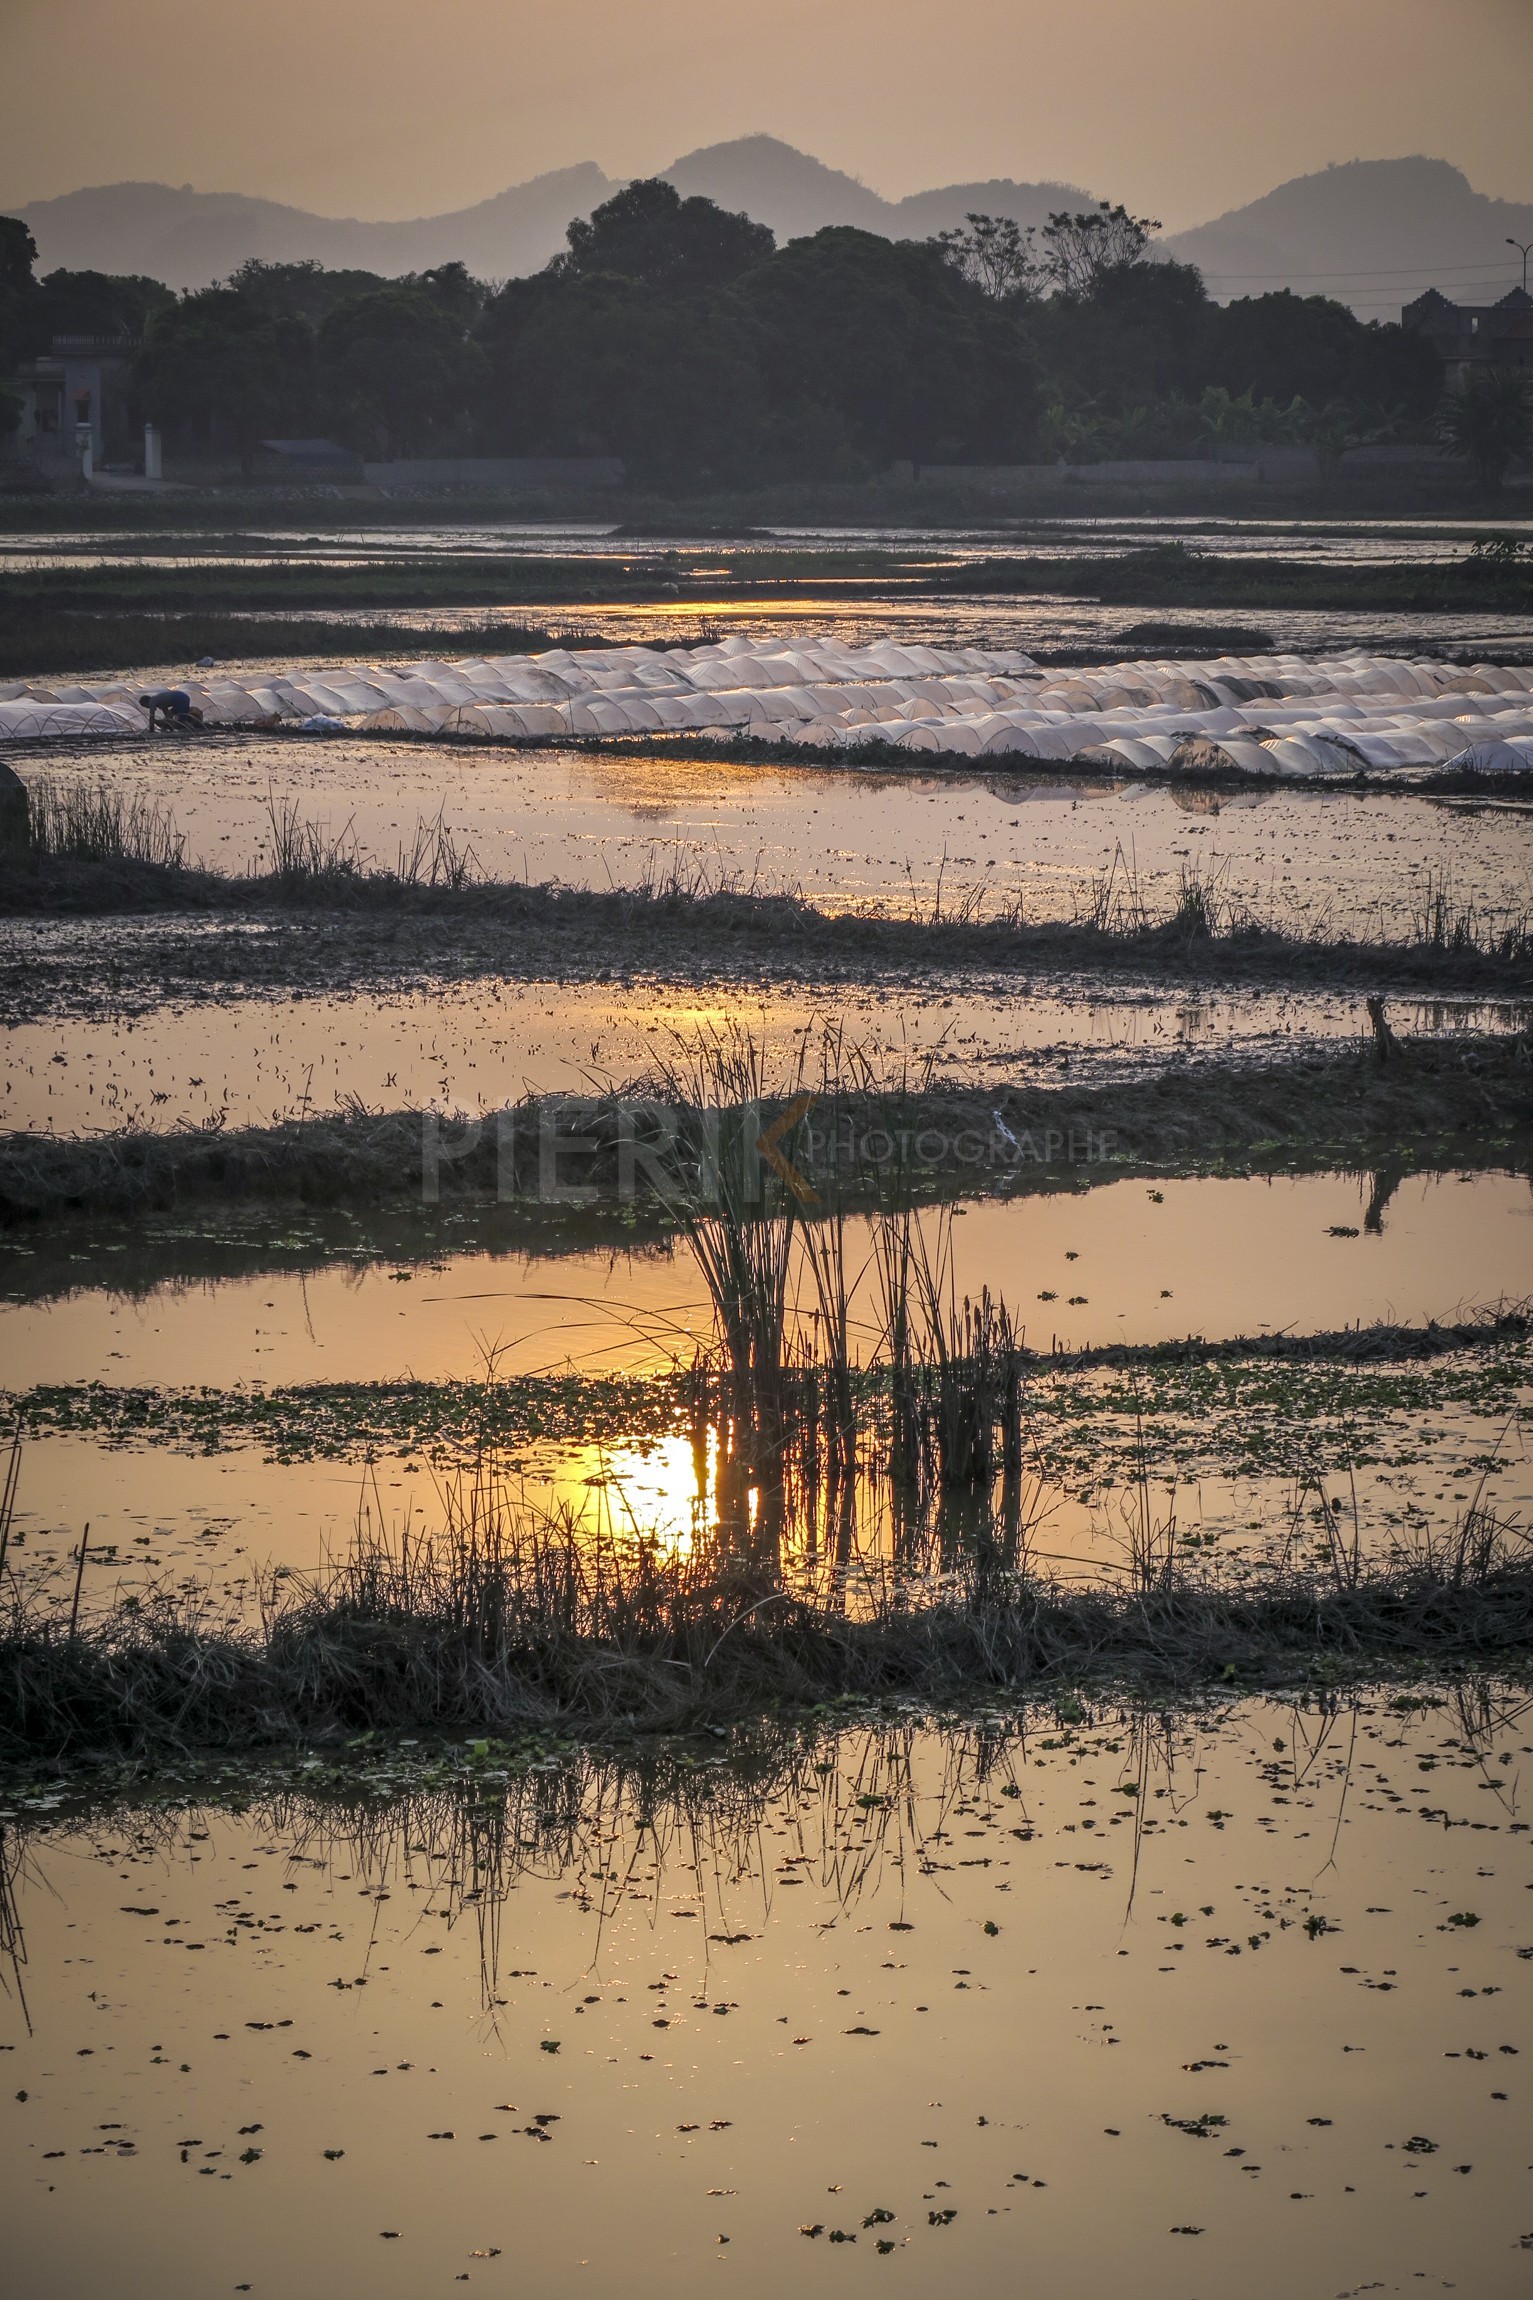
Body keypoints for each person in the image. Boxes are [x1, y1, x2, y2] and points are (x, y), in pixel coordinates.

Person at [138, 688, 204, 733]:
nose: (147, 708)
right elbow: (168, 717)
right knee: (174, 716)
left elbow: (151, 717)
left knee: (182, 719)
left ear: (146, 702)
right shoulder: (160, 702)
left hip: (180, 699)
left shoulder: (152, 701)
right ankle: (195, 726)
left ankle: (193, 730)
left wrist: (151, 730)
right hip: (182, 697)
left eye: (145, 706)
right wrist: (168, 728)